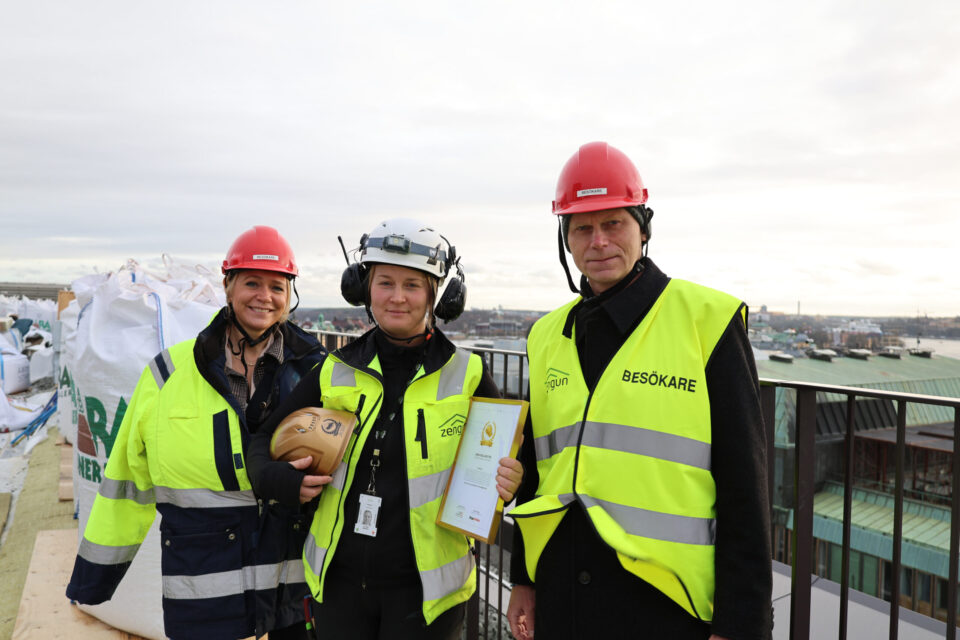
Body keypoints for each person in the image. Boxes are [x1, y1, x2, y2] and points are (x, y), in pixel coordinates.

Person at [506, 142, 772, 640]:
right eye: (582, 228)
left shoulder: (706, 322)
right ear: (565, 239)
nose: (599, 241)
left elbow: (746, 486)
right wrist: (524, 577)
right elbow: (539, 474)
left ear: (643, 229)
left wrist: (741, 624)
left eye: (614, 223)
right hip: (562, 593)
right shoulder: (545, 336)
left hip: (662, 604)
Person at [246, 218, 524, 640]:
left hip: (427, 599)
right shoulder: (334, 370)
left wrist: (512, 479)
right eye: (385, 283)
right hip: (338, 588)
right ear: (364, 288)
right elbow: (263, 440)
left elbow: (509, 463)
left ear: (437, 295)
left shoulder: (469, 376)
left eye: (412, 285)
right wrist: (280, 481)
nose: (397, 297)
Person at [66, 226, 327, 640]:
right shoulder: (170, 372)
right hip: (205, 581)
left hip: (291, 578)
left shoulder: (318, 370)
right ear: (228, 286)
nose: (264, 296)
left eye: (277, 286)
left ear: (289, 295)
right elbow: (127, 477)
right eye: (252, 283)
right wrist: (95, 575)